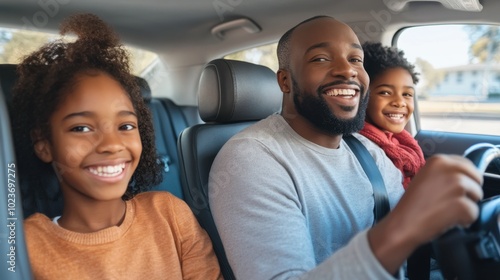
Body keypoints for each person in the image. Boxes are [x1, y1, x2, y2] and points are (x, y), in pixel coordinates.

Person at [208, 15, 483, 279]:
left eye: (355, 59)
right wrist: (401, 229)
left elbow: (420, 239)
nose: (347, 70)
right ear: (285, 81)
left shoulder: (365, 149)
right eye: (321, 58)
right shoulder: (251, 159)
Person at [12, 13, 222, 279]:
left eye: (125, 126)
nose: (112, 145)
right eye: (82, 128)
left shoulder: (170, 214)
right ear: (44, 145)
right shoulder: (24, 247)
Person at [360, 42, 425, 189]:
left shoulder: (399, 141)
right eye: (385, 92)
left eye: (407, 94)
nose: (400, 102)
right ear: (363, 95)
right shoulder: (364, 148)